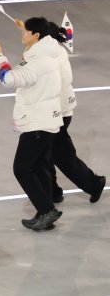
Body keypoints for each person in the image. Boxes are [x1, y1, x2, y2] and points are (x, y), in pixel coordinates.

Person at [0, 16, 63, 231]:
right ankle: (44, 211)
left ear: (37, 36)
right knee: (39, 166)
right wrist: (27, 31)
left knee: (21, 169)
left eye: (25, 33)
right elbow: (32, 51)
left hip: (36, 123)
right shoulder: (48, 51)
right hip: (47, 120)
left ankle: (47, 210)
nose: (22, 35)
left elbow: (8, 79)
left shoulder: (35, 64)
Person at [39, 21, 105, 204]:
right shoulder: (55, 51)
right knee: (46, 152)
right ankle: (53, 191)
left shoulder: (51, 55)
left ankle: (94, 184)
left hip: (57, 113)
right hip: (59, 111)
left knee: (62, 155)